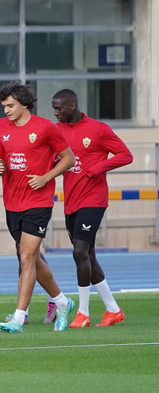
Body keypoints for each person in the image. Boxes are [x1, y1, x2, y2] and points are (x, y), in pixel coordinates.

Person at [0, 81, 76, 333]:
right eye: (3, 106)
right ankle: (62, 302)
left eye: (10, 105)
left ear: (24, 103)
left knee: (26, 256)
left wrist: (46, 178)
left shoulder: (45, 128)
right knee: (30, 258)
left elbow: (69, 158)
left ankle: (18, 316)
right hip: (12, 201)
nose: (6, 110)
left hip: (39, 201)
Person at [52, 88, 134, 327]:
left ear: (72, 106)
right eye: (53, 108)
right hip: (71, 200)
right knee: (88, 255)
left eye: (58, 108)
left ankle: (83, 313)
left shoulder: (99, 129)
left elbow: (125, 155)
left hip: (93, 199)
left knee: (79, 253)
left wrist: (97, 168)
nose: (55, 113)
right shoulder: (57, 130)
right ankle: (113, 310)